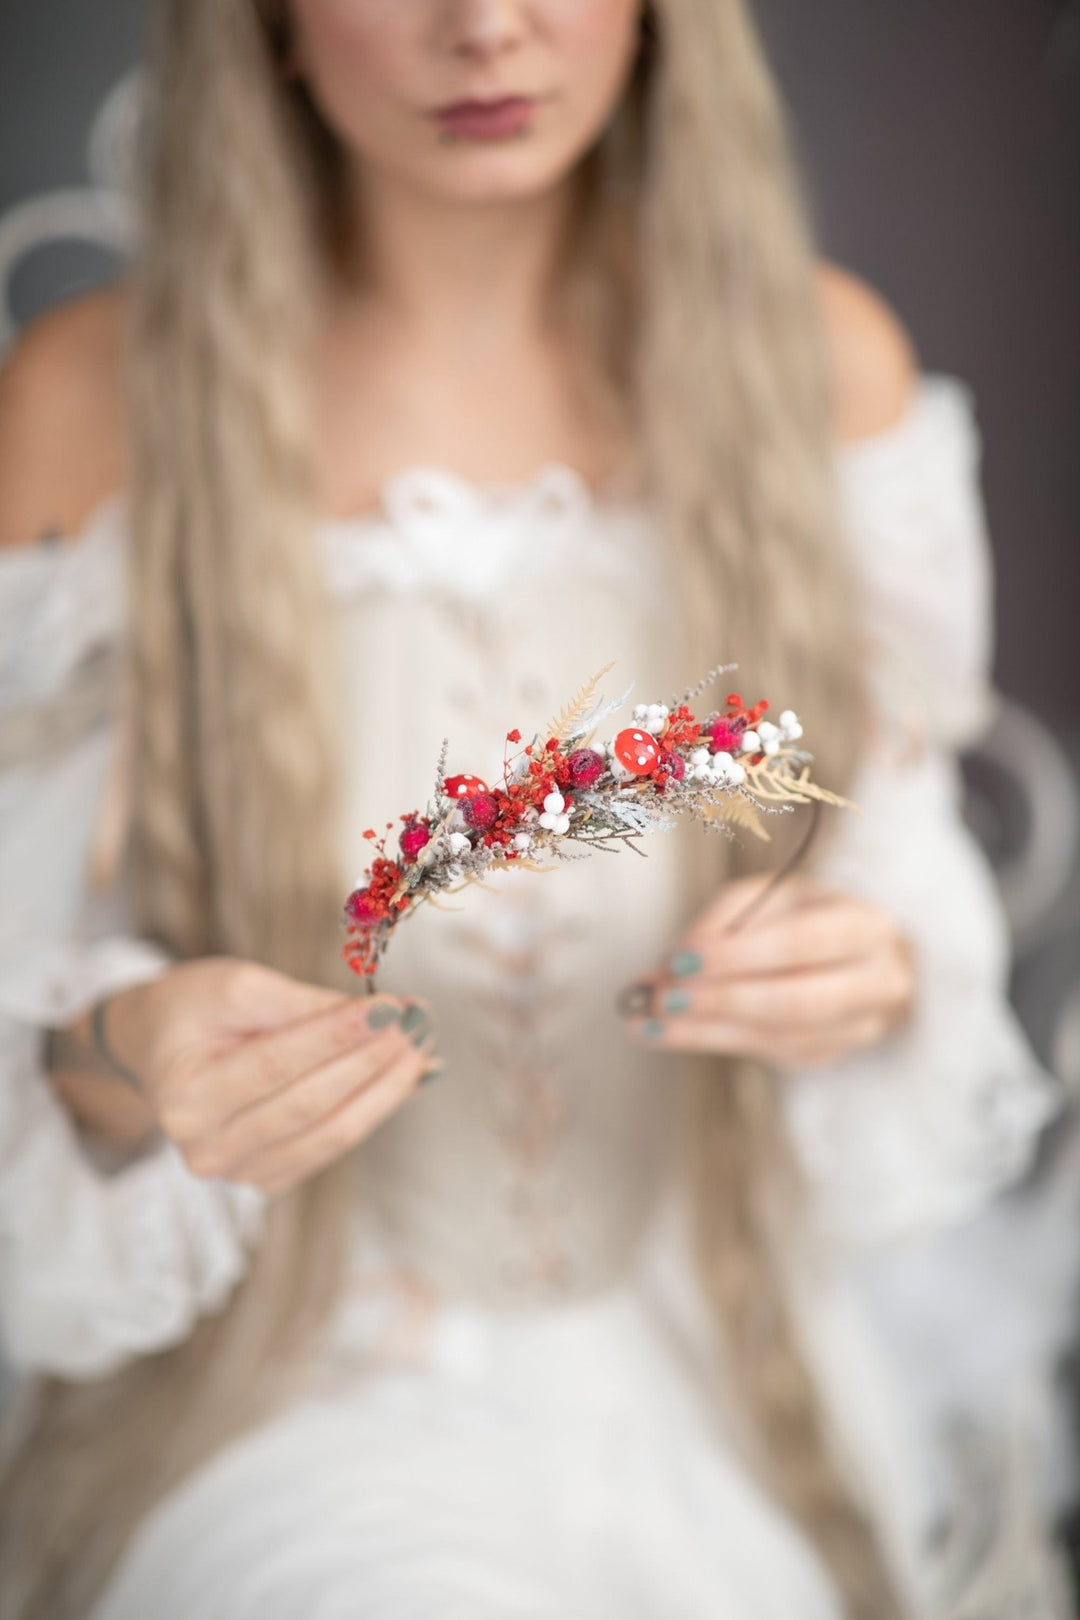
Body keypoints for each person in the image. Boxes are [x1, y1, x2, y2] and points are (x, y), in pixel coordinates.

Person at [0, 2, 1067, 1617]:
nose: (485, 28)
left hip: (725, 1373)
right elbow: (25, 1002)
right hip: (286, 1394)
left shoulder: (812, 361)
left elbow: (901, 887)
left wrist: (871, 980)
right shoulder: (97, 401)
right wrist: (133, 1048)